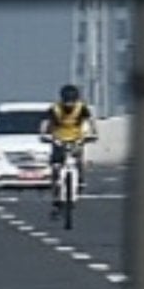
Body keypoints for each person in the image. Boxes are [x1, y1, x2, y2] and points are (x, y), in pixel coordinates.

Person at [41, 83, 96, 212]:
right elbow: (45, 124)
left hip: (76, 139)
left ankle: (80, 181)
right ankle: (55, 192)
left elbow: (90, 122)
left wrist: (93, 134)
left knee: (78, 160)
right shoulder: (54, 109)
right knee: (56, 166)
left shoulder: (82, 108)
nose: (69, 105)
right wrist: (45, 135)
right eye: (67, 102)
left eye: (72, 102)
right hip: (59, 140)